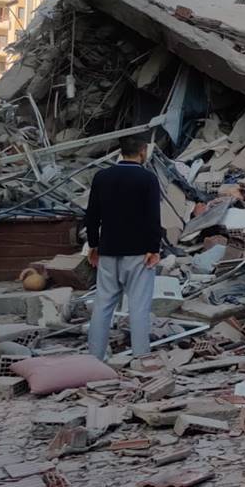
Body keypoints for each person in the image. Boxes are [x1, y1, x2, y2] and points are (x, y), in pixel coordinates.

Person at [85, 135, 162, 361]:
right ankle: (141, 358)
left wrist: (93, 244)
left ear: (121, 152)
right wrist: (153, 248)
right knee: (138, 307)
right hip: (139, 252)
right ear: (143, 151)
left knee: (102, 305)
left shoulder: (102, 177)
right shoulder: (148, 179)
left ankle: (94, 357)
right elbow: (152, 217)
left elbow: (92, 214)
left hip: (108, 249)